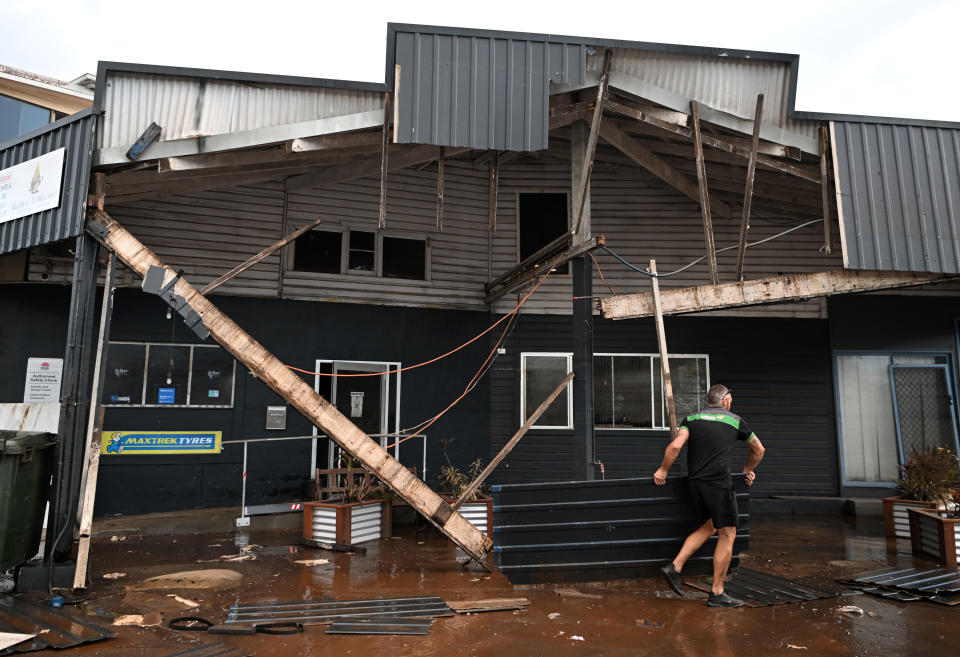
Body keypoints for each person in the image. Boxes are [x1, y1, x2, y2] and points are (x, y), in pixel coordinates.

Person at [653, 384, 765, 607]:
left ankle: (675, 566)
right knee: (728, 533)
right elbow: (759, 449)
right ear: (724, 401)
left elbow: (675, 447)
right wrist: (745, 472)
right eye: (730, 400)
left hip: (695, 484)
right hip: (719, 485)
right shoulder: (735, 420)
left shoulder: (691, 419)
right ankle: (717, 592)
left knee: (710, 526)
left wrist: (663, 470)